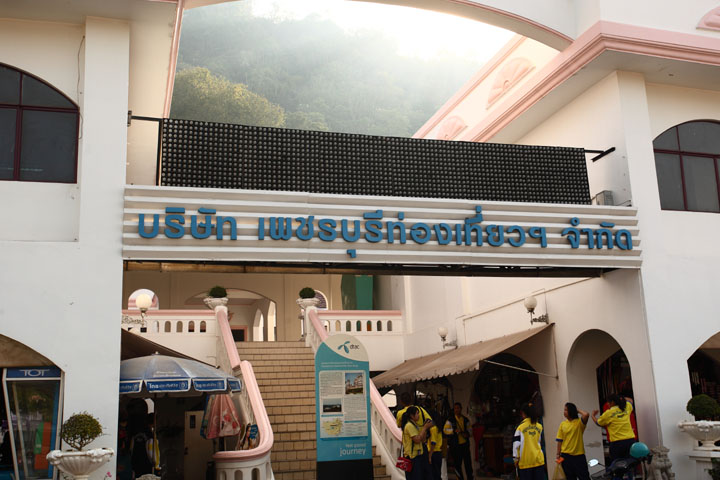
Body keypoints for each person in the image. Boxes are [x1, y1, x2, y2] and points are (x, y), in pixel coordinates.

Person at [592, 394, 635, 463]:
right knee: (630, 462)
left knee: (617, 464)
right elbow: (630, 400)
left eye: (608, 402)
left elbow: (598, 423)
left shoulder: (608, 413)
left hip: (617, 443)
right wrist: (620, 397)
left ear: (612, 402)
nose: (608, 404)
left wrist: (593, 416)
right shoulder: (626, 407)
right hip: (630, 441)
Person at [556, 402, 590, 480]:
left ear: (571, 411)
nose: (564, 412)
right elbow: (559, 440)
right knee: (570, 478)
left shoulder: (579, 423)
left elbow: (586, 415)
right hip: (565, 456)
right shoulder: (563, 424)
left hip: (579, 457)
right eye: (564, 410)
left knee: (584, 477)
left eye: (566, 410)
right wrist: (558, 454)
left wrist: (577, 410)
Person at [512, 403, 545, 480]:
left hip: (525, 463)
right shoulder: (539, 426)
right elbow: (541, 443)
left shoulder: (520, 427)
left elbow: (516, 445)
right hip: (539, 461)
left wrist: (515, 460)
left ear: (523, 413)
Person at [401, 406, 433, 480]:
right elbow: (417, 440)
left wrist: (425, 428)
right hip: (412, 457)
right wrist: (424, 428)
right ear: (412, 416)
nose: (418, 415)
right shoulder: (409, 426)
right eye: (417, 413)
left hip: (417, 456)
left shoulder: (414, 425)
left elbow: (423, 439)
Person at [443, 402, 473, 480]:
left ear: (461, 409)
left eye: (458, 408)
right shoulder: (450, 420)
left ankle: (470, 478)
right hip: (455, 446)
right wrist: (453, 431)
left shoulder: (465, 420)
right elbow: (445, 430)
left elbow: (470, 431)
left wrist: (465, 433)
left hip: (465, 445)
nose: (456, 410)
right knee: (457, 465)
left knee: (468, 464)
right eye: (455, 408)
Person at [427, 411, 444, 480]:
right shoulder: (438, 428)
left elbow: (433, 443)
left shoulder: (433, 429)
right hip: (438, 453)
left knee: (433, 475)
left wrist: (430, 456)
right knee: (437, 474)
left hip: (434, 453)